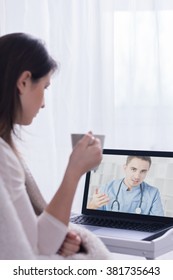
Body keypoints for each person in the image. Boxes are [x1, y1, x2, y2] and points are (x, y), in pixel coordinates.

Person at [0, 33, 111, 260]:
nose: (43, 103)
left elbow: (33, 239)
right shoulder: (4, 158)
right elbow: (30, 254)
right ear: (23, 82)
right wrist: (74, 172)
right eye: (45, 87)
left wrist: (58, 238)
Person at [88, 156, 164, 216]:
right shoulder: (107, 188)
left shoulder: (153, 193)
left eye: (143, 171)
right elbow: (90, 217)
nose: (137, 176)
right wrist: (93, 205)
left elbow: (159, 223)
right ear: (125, 168)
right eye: (133, 169)